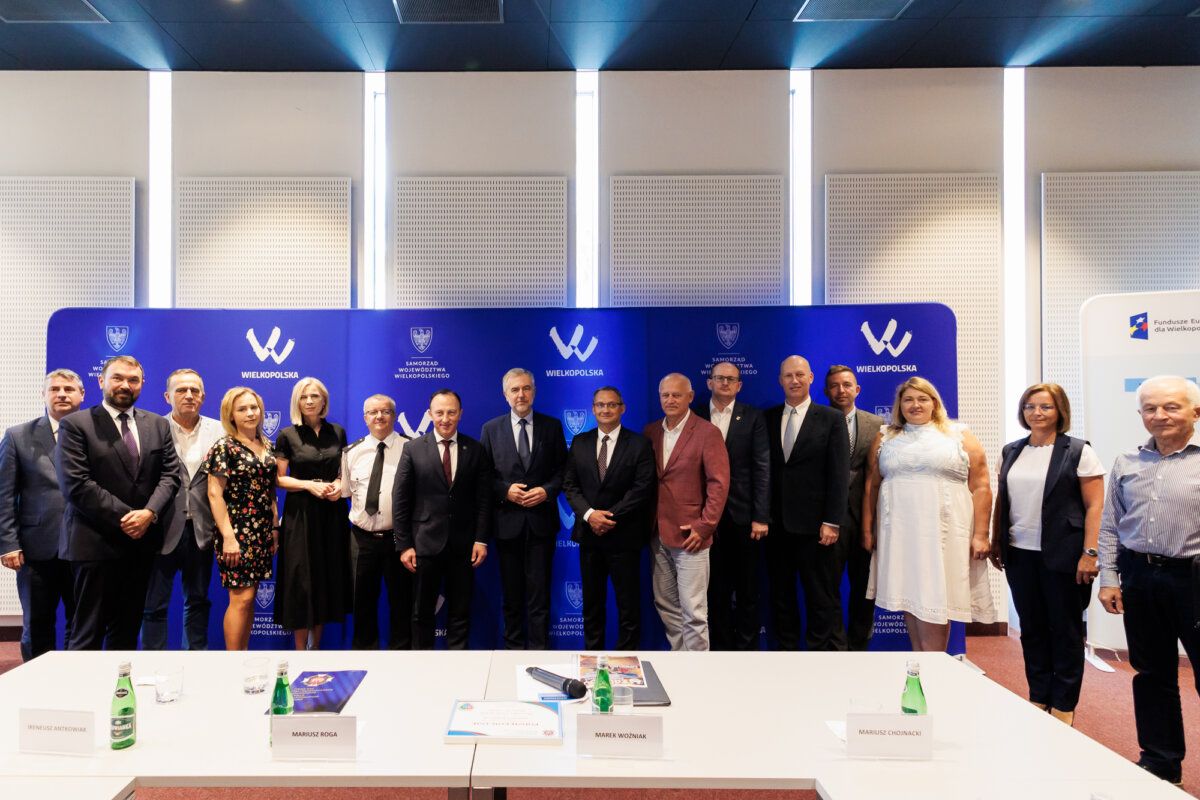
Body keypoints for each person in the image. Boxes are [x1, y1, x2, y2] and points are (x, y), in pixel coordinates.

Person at [1098, 375, 1200, 786]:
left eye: (1171, 407)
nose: (1160, 415)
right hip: (1140, 577)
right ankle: (1160, 762)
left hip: (1193, 579)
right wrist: (1109, 578)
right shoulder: (1127, 462)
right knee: (1152, 673)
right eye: (1150, 408)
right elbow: (1111, 525)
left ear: (1195, 411)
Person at [991, 383, 1105, 726]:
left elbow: (1095, 506)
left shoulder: (1078, 451)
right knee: (1032, 629)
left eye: (1045, 406)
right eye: (1030, 406)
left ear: (1060, 411)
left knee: (1065, 631)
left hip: (1064, 554)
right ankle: (1039, 695)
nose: (1036, 413)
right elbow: (1003, 500)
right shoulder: (1012, 450)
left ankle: (1064, 704)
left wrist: (1090, 552)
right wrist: (997, 540)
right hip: (1020, 554)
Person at [863, 376, 996, 652]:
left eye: (922, 399)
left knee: (936, 595)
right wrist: (868, 529)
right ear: (900, 405)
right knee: (910, 594)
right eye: (908, 400)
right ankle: (921, 661)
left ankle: (934, 664)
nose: (915, 405)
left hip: (944, 533)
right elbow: (872, 486)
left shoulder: (959, 435)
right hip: (899, 532)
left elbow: (982, 486)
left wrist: (982, 534)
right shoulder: (886, 436)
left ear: (934, 403)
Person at [56, 355, 180, 650]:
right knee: (88, 634)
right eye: (118, 378)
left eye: (133, 380)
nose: (125, 385)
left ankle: (119, 682)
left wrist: (149, 513)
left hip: (141, 545)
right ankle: (82, 683)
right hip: (94, 545)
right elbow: (77, 484)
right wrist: (130, 518)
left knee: (126, 633)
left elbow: (170, 475)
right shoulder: (76, 424)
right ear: (101, 381)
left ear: (142, 384)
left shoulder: (157, 425)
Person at [393, 389, 492, 650]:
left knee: (461, 611)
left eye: (451, 412)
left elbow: (484, 500)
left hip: (464, 545)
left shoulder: (476, 449)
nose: (445, 418)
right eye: (439, 413)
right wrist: (404, 545)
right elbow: (400, 499)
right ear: (430, 414)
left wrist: (481, 539)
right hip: (424, 545)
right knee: (422, 612)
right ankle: (423, 666)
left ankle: (458, 664)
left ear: (460, 414)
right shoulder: (413, 449)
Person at [764, 356, 850, 651]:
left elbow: (839, 474)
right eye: (788, 375)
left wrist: (832, 521)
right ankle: (786, 654)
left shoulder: (831, 419)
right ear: (780, 380)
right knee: (781, 596)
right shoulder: (767, 418)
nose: (794, 380)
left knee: (820, 597)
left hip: (817, 528)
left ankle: (819, 656)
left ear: (811, 378)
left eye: (800, 375)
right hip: (776, 526)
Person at [479, 368, 568, 650]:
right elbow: (483, 476)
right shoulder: (491, 429)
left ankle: (540, 652)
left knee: (540, 596)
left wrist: (547, 491)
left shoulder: (551, 426)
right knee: (511, 596)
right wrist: (505, 490)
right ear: (505, 395)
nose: (521, 394)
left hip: (541, 524)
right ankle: (513, 652)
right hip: (507, 525)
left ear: (534, 392)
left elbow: (564, 471)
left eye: (526, 388)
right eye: (515, 390)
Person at [562, 386, 656, 650]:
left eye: (612, 405)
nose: (606, 409)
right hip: (589, 536)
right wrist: (590, 515)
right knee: (592, 604)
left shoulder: (639, 444)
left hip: (624, 536)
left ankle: (627, 659)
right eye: (600, 405)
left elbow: (642, 489)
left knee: (628, 605)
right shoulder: (579, 442)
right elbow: (570, 485)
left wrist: (608, 518)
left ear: (622, 408)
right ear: (593, 409)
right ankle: (593, 658)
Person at [0, 369, 84, 660]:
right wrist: (8, 544)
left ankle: (75, 677)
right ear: (44, 395)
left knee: (81, 624)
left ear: (82, 395)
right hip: (36, 549)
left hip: (84, 547)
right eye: (54, 389)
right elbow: (4, 494)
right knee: (37, 624)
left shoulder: (95, 434)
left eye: (69, 389)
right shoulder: (18, 436)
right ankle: (36, 680)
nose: (62, 394)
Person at [643, 373, 729, 651]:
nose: (670, 400)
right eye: (665, 395)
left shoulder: (707, 432)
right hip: (657, 533)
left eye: (676, 395)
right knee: (666, 605)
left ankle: (697, 670)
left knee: (694, 611)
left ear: (690, 397)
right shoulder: (651, 432)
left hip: (692, 535)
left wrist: (705, 526)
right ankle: (681, 661)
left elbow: (719, 484)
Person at [141, 369, 224, 650]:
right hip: (160, 530)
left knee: (198, 601)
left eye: (194, 390)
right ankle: (153, 663)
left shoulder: (221, 430)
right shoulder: (153, 428)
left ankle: (195, 658)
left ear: (203, 396)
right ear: (167, 396)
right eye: (181, 390)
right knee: (154, 605)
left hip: (202, 531)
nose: (189, 395)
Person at [694, 361, 770, 651]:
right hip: (705, 517)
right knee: (715, 590)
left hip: (744, 517)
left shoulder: (753, 417)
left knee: (748, 589)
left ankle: (747, 652)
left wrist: (760, 516)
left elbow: (762, 468)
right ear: (709, 383)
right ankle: (721, 650)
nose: (725, 383)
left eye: (731, 379)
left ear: (739, 385)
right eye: (719, 378)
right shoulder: (695, 415)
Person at [274, 377, 351, 651]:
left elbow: (344, 472)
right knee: (301, 581)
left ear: (324, 400)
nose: (309, 401)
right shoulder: (287, 435)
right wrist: (309, 485)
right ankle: (299, 652)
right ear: (297, 401)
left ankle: (315, 648)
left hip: (332, 514)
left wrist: (339, 485)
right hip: (300, 515)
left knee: (324, 578)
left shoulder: (338, 432)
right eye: (304, 396)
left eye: (314, 396)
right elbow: (279, 479)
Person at [206, 387, 278, 651]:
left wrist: (274, 527)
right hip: (236, 531)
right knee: (241, 598)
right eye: (242, 409)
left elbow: (270, 490)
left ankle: (243, 655)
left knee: (250, 596)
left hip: (262, 531)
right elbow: (214, 494)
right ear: (231, 415)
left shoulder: (267, 445)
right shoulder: (224, 447)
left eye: (254, 407)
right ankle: (233, 662)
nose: (250, 413)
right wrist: (228, 537)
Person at [340, 394, 412, 650]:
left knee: (402, 602)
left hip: (399, 540)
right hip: (362, 539)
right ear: (365, 418)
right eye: (373, 412)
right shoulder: (351, 452)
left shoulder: (411, 448)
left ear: (394, 416)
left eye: (385, 411)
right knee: (362, 603)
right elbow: (348, 493)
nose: (379, 417)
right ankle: (364, 656)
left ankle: (401, 655)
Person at [823, 365, 885, 651]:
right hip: (828, 520)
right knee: (828, 589)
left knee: (864, 589)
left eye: (847, 385)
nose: (841, 390)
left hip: (865, 518)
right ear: (827, 391)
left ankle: (859, 647)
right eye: (835, 386)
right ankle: (837, 648)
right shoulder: (817, 420)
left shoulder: (877, 424)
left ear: (857, 389)